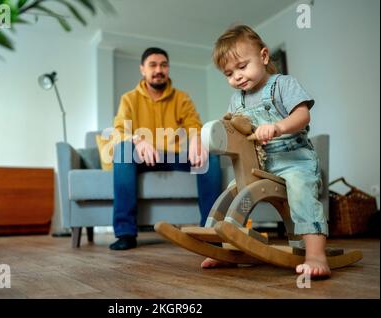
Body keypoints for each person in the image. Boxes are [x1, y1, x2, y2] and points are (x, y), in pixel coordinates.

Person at [202, 25, 330, 278]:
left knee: (301, 189)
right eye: (229, 73)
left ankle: (316, 255)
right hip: (260, 163)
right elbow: (233, 129)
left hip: (295, 160)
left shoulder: (282, 84)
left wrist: (278, 127)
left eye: (242, 66)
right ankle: (221, 244)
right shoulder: (236, 101)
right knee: (231, 191)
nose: (236, 77)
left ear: (263, 56)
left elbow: (303, 114)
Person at [110, 47, 222, 250]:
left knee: (210, 157)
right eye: (152, 65)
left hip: (174, 156)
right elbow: (118, 131)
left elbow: (194, 124)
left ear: (168, 68)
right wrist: (138, 140)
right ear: (142, 70)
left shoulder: (182, 98)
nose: (158, 70)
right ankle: (125, 233)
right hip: (142, 157)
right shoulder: (129, 99)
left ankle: (210, 231)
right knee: (123, 150)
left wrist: (197, 139)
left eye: (163, 65)